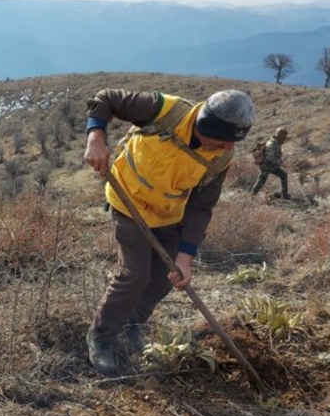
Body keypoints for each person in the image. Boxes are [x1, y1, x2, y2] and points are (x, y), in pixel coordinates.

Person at [83, 88, 256, 376]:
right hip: (129, 204)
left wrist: (185, 257)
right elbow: (105, 99)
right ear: (205, 127)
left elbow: (201, 208)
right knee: (134, 274)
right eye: (224, 140)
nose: (229, 148)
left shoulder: (220, 159)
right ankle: (101, 337)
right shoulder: (164, 111)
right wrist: (96, 138)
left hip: (169, 217)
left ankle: (133, 324)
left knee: (167, 277)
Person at [251, 126, 290, 199]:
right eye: (284, 137)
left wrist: (281, 161)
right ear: (279, 136)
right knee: (261, 181)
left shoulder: (277, 143)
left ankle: (285, 195)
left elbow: (276, 156)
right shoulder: (272, 144)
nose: (284, 139)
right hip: (266, 166)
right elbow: (270, 158)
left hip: (272, 166)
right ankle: (252, 196)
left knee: (284, 175)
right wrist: (281, 164)